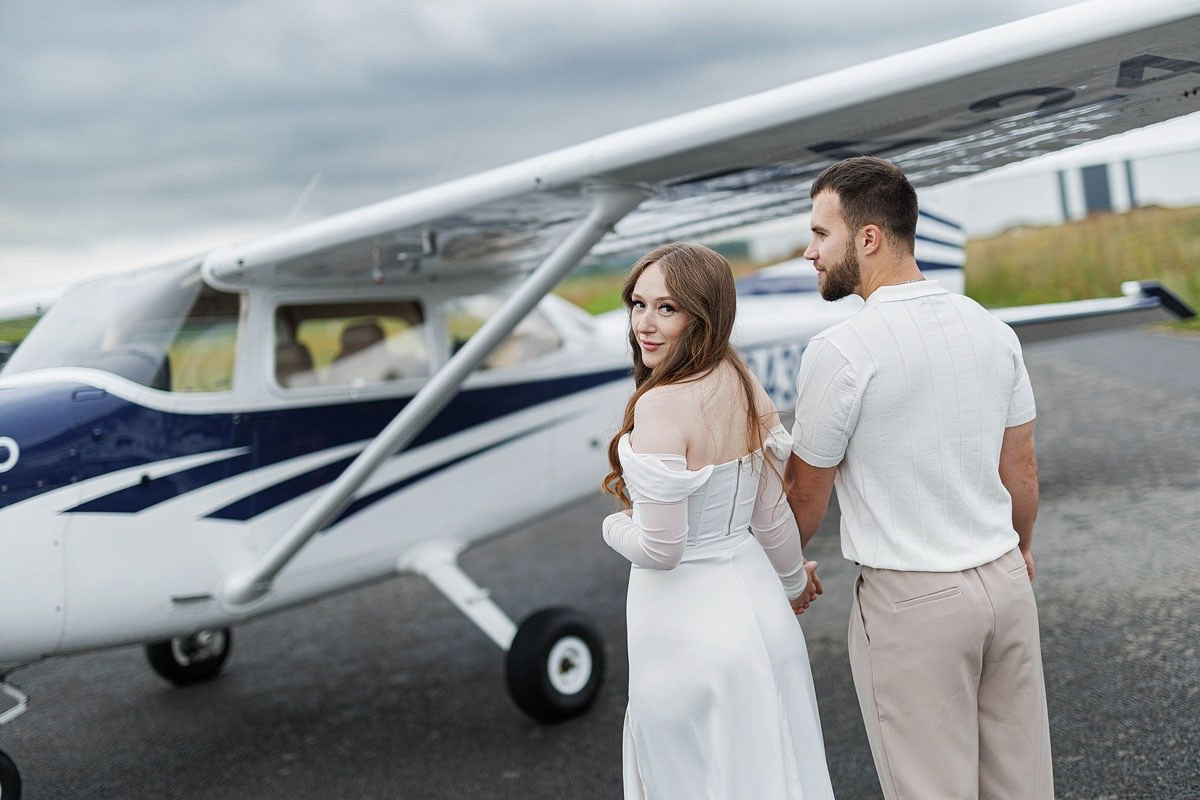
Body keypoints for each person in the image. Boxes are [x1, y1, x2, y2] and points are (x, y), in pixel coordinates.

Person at [785, 156, 1053, 799]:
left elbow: (803, 500)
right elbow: (1021, 469)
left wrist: (779, 573)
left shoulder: (840, 352)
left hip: (913, 605)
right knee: (1022, 787)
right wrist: (1017, 552)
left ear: (869, 238)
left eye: (821, 234)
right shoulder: (993, 329)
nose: (808, 251)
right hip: (1006, 585)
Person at [601, 242, 834, 800]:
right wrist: (794, 582)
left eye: (667, 309)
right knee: (776, 772)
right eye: (639, 305)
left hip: (686, 631)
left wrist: (611, 527)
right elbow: (769, 512)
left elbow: (662, 549)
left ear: (704, 315)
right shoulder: (741, 380)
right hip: (760, 617)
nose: (645, 326)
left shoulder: (661, 406)